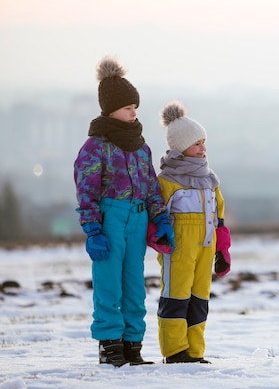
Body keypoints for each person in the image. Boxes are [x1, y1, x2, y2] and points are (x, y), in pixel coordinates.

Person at [74, 56, 175, 367]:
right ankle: (110, 345)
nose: (134, 112)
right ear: (111, 109)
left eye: (135, 107)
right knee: (108, 283)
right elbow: (86, 190)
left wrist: (159, 217)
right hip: (110, 219)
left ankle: (133, 344)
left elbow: (150, 186)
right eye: (129, 107)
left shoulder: (140, 146)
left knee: (134, 284)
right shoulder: (96, 147)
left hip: (138, 216)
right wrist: (92, 229)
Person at [156, 101, 231, 364]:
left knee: (199, 298)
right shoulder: (167, 181)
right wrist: (161, 238)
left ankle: (195, 351)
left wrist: (222, 250)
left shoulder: (209, 179)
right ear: (180, 146)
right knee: (176, 296)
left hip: (206, 249)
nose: (203, 148)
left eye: (204, 141)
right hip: (178, 250)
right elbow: (156, 215)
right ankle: (175, 350)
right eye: (197, 143)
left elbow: (219, 217)